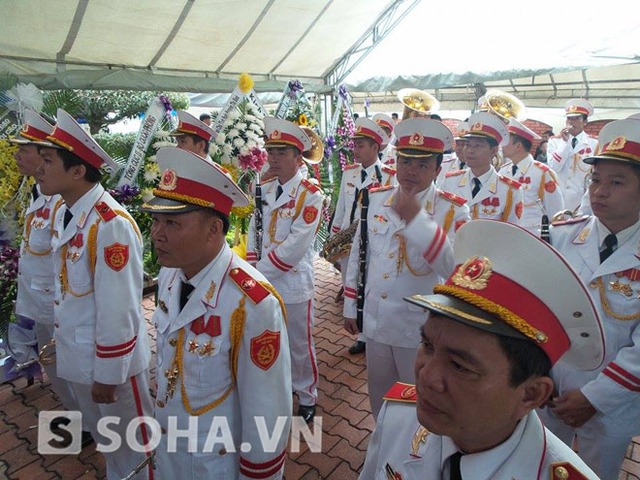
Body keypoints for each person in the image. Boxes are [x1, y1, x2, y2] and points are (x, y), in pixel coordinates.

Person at [360, 219, 603, 480]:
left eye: (459, 366)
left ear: (530, 395)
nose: (425, 377)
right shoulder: (398, 416)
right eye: (428, 346)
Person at [141, 148, 292, 479]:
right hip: (171, 453)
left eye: (171, 223)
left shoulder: (252, 303)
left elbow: (267, 415)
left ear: (213, 229)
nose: (157, 234)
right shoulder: (171, 273)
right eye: (155, 221)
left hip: (213, 466)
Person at [37, 109, 153, 479]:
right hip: (81, 356)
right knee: (111, 443)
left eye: (47, 160)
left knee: (138, 449)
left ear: (77, 171)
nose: (39, 168)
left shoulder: (110, 225)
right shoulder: (66, 212)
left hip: (111, 368)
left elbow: (120, 310)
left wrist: (109, 372)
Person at [538, 117, 640, 479]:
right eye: (595, 180)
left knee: (596, 473)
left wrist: (594, 399)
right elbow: (537, 310)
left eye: (616, 182)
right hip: (550, 388)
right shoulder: (563, 237)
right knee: (541, 465)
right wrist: (537, 373)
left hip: (612, 404)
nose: (599, 191)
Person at [343, 118, 465, 419]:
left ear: (438, 169)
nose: (411, 171)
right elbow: (362, 252)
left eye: (423, 165)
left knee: (415, 405)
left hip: (418, 328)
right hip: (375, 320)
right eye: (406, 161)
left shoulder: (453, 209)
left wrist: (417, 221)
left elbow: (453, 269)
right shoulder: (375, 198)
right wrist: (351, 305)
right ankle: (381, 454)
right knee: (380, 401)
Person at [246, 117, 323, 423]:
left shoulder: (309, 194)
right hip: (263, 277)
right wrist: (252, 265)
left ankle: (307, 395)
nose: (273, 158)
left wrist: (258, 272)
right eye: (271, 151)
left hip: (292, 283)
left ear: (297, 156)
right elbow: (255, 227)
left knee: (299, 345)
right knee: (268, 337)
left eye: (281, 152)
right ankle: (280, 389)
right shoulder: (263, 187)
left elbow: (296, 245)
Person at [10, 110, 83, 430]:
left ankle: (86, 424)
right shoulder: (37, 192)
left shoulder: (59, 202)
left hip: (57, 306)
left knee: (68, 368)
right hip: (37, 303)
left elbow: (67, 262)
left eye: (23, 149)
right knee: (54, 366)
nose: (17, 155)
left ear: (43, 156)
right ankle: (76, 415)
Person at [330, 117, 396, 356]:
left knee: (370, 285)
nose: (355, 150)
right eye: (354, 145)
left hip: (375, 240)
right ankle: (361, 334)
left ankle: (371, 334)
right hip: (348, 242)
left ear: (375, 148)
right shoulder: (350, 174)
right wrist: (334, 239)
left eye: (360, 145)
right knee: (351, 283)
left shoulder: (389, 176)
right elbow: (341, 208)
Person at [439, 112, 524, 224]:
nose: (470, 150)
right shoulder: (450, 181)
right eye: (468, 144)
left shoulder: (510, 190)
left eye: (478, 145)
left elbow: (513, 232)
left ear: (493, 150)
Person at [499, 118, 564, 235]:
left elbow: (556, 212)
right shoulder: (504, 170)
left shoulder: (542, 173)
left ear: (518, 146)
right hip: (507, 234)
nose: (502, 145)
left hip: (533, 236)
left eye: (507, 141)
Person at [547, 99, 598, 212]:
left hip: (582, 201)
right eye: (569, 118)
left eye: (576, 118)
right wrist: (564, 143)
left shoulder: (594, 143)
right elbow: (554, 168)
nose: (571, 122)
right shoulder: (555, 141)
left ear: (585, 122)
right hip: (558, 198)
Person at [436, 121, 469, 185]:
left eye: (463, 144)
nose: (459, 148)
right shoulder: (445, 164)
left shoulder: (476, 166)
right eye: (458, 144)